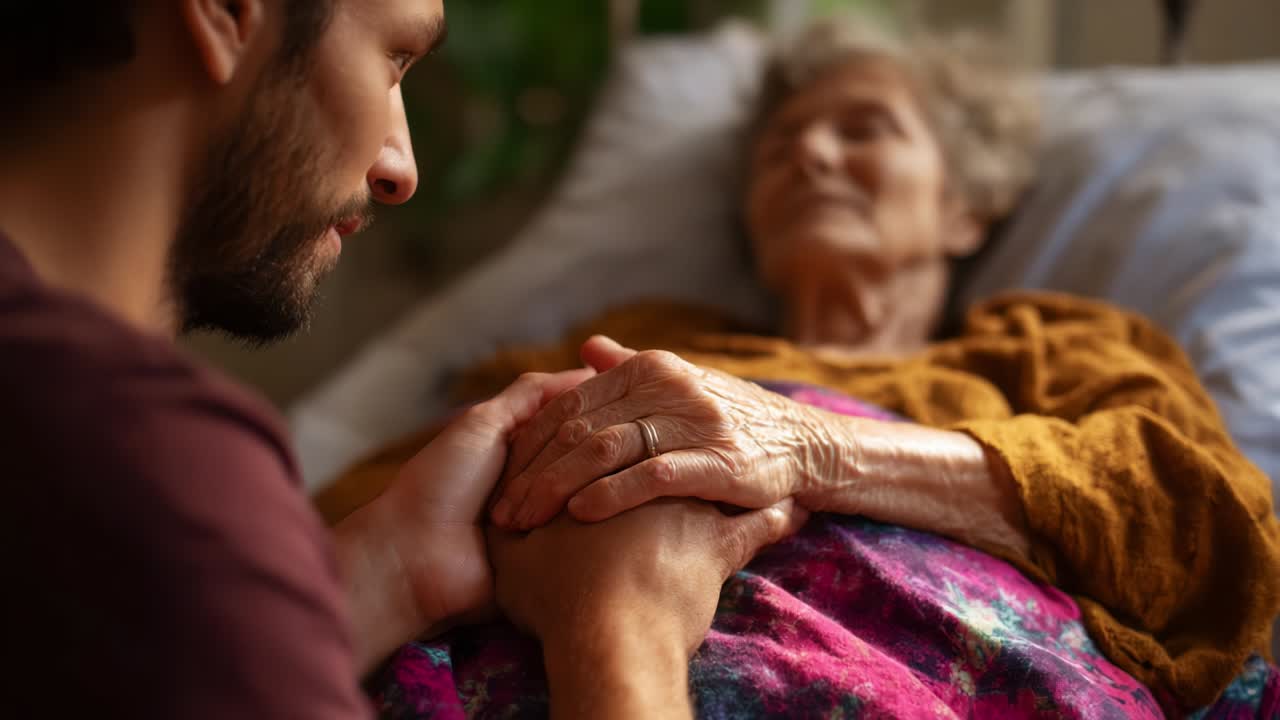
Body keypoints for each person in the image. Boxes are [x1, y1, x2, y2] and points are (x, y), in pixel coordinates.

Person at [0, 2, 801, 718]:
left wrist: (393, 567)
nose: (399, 169)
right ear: (221, 13)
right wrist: (627, 630)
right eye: (395, 60)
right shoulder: (141, 469)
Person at [460, 18, 1280, 712]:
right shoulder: (638, 342)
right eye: (778, 148)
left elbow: (1213, 530)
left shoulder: (1049, 346)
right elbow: (402, 515)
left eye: (864, 129)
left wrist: (815, 447)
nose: (811, 154)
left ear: (962, 206)